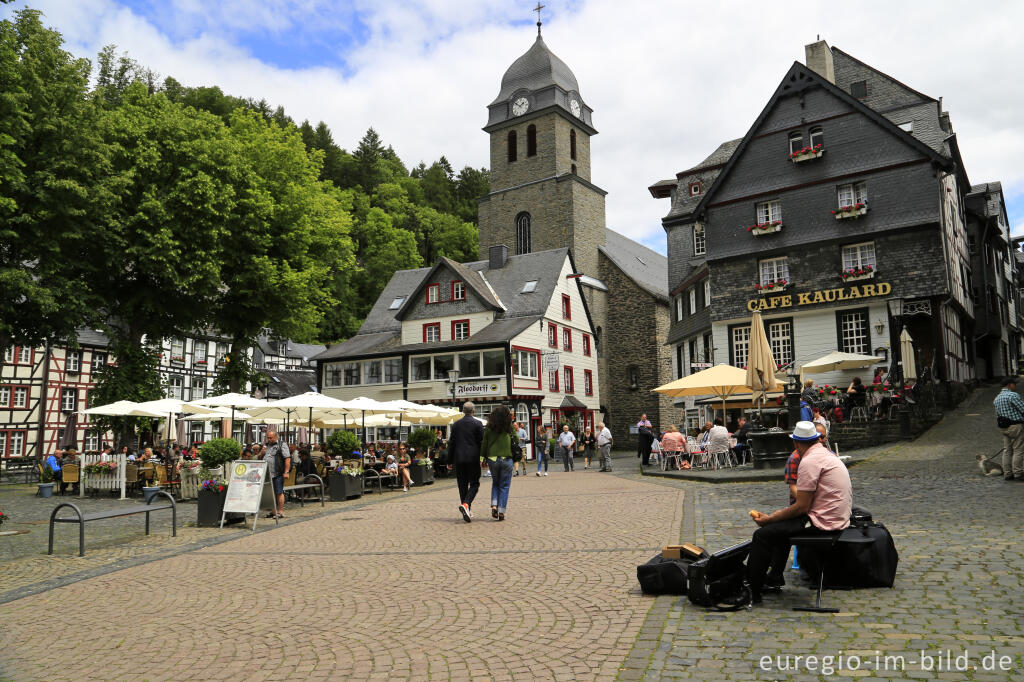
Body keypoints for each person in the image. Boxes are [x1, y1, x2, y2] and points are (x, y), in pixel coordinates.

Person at [744, 421, 853, 605]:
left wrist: (770, 519)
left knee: (762, 535)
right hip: (837, 518)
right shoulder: (827, 454)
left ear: (795, 443)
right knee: (778, 528)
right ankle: (774, 577)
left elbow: (801, 506)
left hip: (823, 523)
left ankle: (752, 591)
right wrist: (775, 520)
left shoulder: (809, 461)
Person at [450, 401, 485, 521]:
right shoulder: (478, 424)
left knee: (462, 485)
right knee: (475, 483)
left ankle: (467, 510)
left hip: (459, 459)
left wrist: (449, 460)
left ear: (463, 411)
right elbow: (482, 443)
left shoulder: (456, 425)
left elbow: (452, 444)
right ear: (473, 411)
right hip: (473, 459)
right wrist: (483, 457)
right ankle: (466, 505)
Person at [481, 404, 516, 521]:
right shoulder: (508, 427)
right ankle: (501, 511)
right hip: (507, 459)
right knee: (505, 485)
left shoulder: (489, 428)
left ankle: (494, 505)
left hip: (493, 459)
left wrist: (482, 459)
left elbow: (484, 444)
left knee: (495, 483)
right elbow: (516, 440)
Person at [993, 377, 1024, 481]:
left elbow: (998, 414)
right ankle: (1018, 473)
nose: (1015, 386)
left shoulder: (997, 398)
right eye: (1014, 384)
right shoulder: (1012, 395)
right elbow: (1023, 409)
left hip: (1003, 427)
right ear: (1010, 385)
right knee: (1018, 449)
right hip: (1015, 426)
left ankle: (1007, 473)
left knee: (1007, 450)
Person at [261, 430, 290, 520]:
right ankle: (273, 511)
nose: (269, 439)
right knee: (270, 493)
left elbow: (287, 458)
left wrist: (286, 471)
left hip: (277, 473)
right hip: (267, 473)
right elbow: (260, 458)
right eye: (268, 437)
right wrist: (261, 453)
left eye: (271, 438)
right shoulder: (266, 446)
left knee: (279, 492)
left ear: (276, 437)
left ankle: (280, 512)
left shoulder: (282, 445)